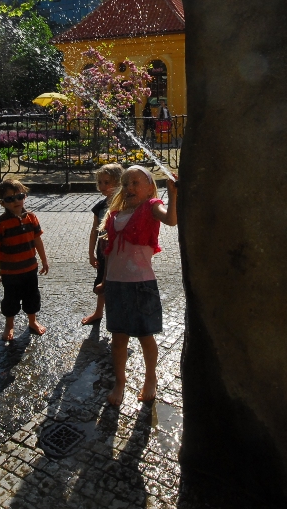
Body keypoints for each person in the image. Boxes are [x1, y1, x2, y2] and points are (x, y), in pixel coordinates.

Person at [101, 166, 177, 406]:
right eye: (125, 184)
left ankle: (150, 377)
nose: (129, 188)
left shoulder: (151, 206)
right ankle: (120, 381)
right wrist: (104, 279)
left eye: (135, 183)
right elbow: (110, 251)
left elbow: (171, 220)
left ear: (150, 188)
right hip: (115, 284)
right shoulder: (116, 213)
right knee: (118, 338)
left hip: (141, 283)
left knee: (145, 336)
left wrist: (172, 194)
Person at [0, 178, 49, 341]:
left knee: (32, 296)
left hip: (30, 267)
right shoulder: (0, 223)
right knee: (11, 299)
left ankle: (33, 321)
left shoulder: (31, 217)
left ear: (25, 197)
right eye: (10, 198)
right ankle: (9, 325)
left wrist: (44, 260)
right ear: (2, 203)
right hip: (10, 271)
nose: (16, 201)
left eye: (20, 196)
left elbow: (37, 240)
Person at [82, 164, 124, 326]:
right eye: (100, 182)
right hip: (103, 251)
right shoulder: (100, 207)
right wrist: (91, 254)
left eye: (107, 182)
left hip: (120, 252)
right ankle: (99, 312)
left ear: (119, 182)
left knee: (119, 284)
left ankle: (119, 314)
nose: (102, 186)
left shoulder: (124, 205)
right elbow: (95, 231)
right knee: (101, 281)